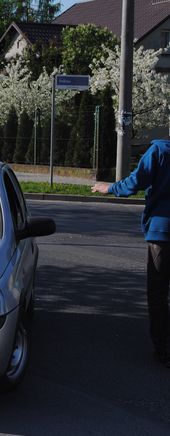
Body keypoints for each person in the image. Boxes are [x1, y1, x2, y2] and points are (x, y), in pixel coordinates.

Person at [92, 139, 170, 365]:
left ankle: (163, 349)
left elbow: (138, 180)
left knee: (158, 293)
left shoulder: (160, 150)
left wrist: (110, 188)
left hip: (162, 233)